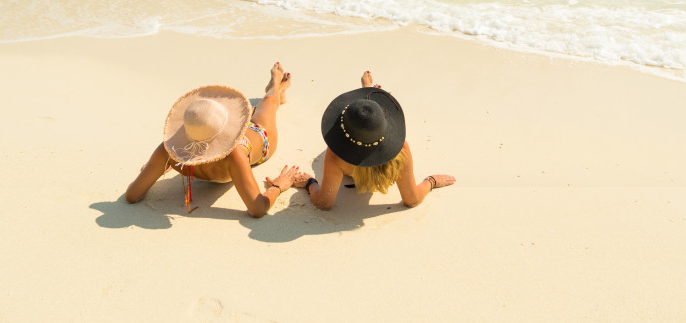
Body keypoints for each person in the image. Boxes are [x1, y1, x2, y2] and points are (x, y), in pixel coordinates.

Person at [125, 62, 299, 218]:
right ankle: (275, 88)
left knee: (269, 102)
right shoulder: (234, 155)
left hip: (254, 139)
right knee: (268, 103)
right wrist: (277, 186)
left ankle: (275, 89)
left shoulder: (168, 151)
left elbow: (132, 195)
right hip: (261, 135)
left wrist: (153, 169)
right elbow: (258, 208)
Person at [287, 71, 455, 209]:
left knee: (359, 123)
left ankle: (366, 100)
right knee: (367, 123)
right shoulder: (400, 149)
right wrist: (431, 181)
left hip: (349, 163)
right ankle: (369, 100)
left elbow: (324, 203)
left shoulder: (336, 156)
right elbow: (412, 199)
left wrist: (310, 183)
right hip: (378, 158)